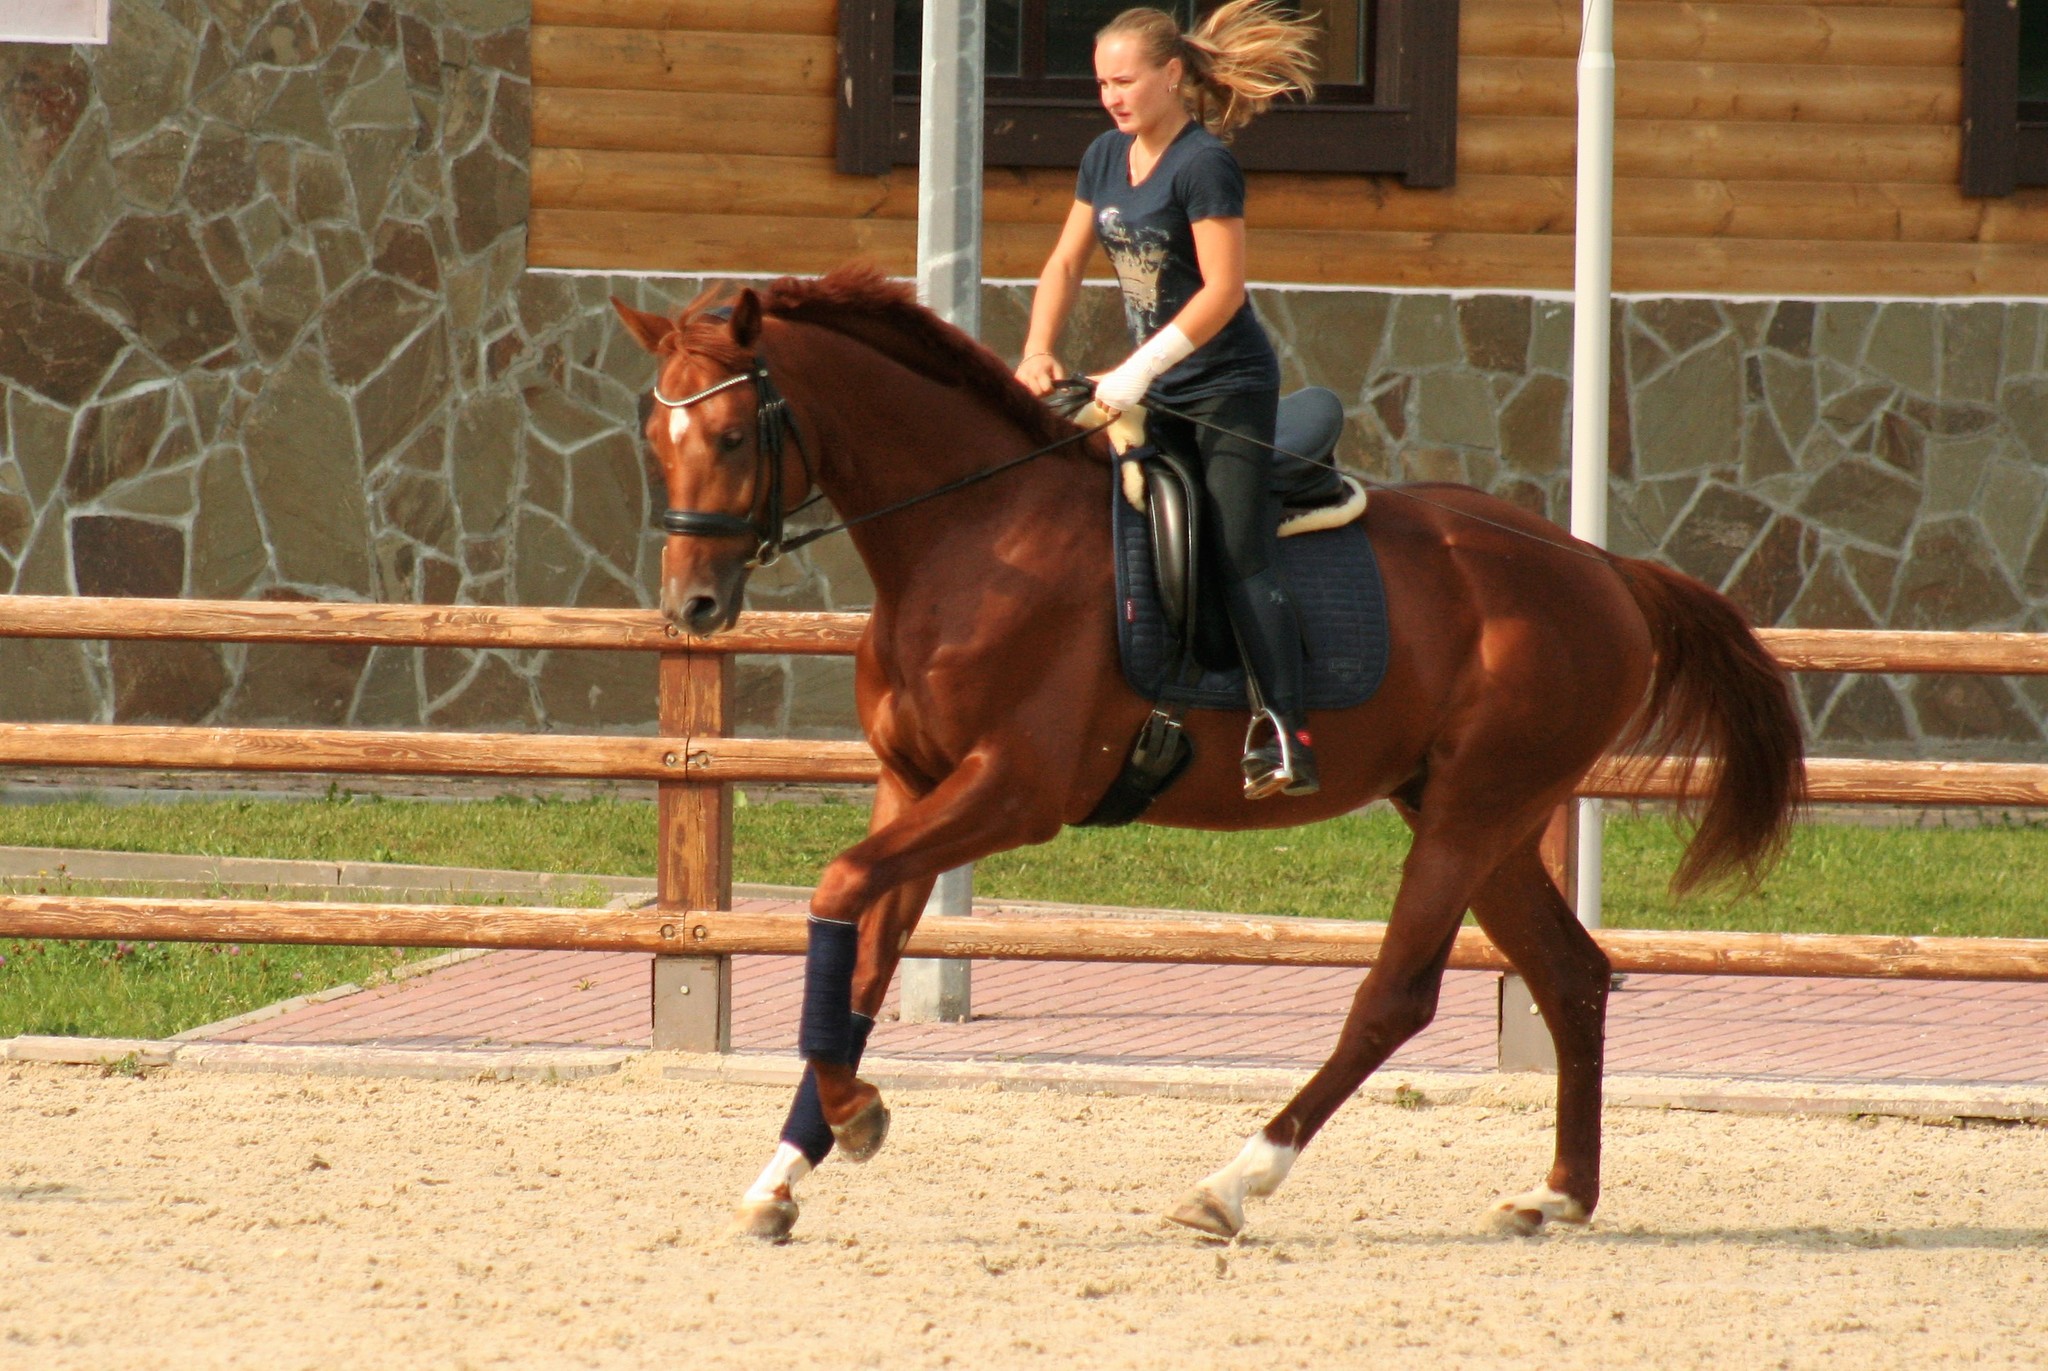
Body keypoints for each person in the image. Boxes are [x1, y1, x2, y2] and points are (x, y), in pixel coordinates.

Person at [1015, 2, 1321, 799]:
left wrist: (1139, 371)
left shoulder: (1203, 163)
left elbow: (1223, 292)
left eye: (1125, 80)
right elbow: (1064, 262)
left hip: (1225, 389)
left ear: (1172, 75)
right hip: (1148, 387)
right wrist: (1037, 350)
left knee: (1234, 544)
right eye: (1102, 83)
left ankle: (1287, 731)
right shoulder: (1103, 157)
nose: (1112, 96)